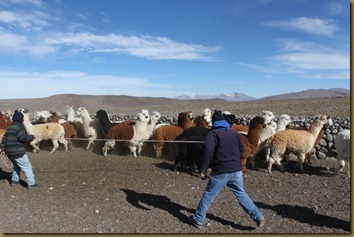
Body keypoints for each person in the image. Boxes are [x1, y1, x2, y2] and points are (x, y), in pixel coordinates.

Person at [188, 110, 265, 229]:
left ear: (214, 122)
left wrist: (203, 168)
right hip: (236, 170)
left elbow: (208, 152)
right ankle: (258, 216)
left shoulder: (213, 134)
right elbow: (240, 149)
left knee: (209, 195)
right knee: (241, 193)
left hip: (221, 171)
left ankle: (198, 219)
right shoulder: (233, 133)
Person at [0, 111, 38, 189]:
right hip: (18, 152)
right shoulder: (19, 127)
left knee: (17, 166)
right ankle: (31, 184)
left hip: (10, 152)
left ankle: (14, 180)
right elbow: (22, 137)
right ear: (22, 120)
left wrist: (4, 149)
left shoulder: (9, 127)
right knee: (27, 166)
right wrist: (31, 137)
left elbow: (4, 140)